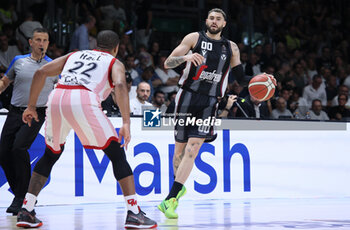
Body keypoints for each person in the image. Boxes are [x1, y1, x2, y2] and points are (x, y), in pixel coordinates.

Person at [16, 30, 157, 229]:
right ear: (115, 49)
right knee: (116, 154)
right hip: (83, 99)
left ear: (97, 45)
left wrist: (31, 106)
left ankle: (26, 210)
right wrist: (126, 122)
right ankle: (134, 213)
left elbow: (40, 72)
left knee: (50, 153)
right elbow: (119, 85)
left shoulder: (74, 55)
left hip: (57, 98)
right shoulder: (114, 62)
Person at [157, 8, 276, 219]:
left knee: (193, 150)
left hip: (210, 102)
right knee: (179, 153)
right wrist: (186, 56)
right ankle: (178, 186)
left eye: (218, 19)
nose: (214, 21)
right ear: (206, 21)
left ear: (224, 24)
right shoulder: (194, 38)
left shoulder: (231, 48)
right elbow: (168, 63)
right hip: (186, 98)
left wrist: (262, 79)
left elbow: (240, 77)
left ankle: (170, 199)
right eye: (211, 18)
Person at [0, 28, 57, 215]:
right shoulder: (19, 61)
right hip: (14, 112)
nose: (42, 43)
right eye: (38, 40)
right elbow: (5, 82)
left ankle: (20, 198)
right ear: (31, 42)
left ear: (48, 43)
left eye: (45, 40)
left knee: (19, 148)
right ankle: (22, 193)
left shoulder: (53, 66)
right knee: (3, 152)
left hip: (37, 113)